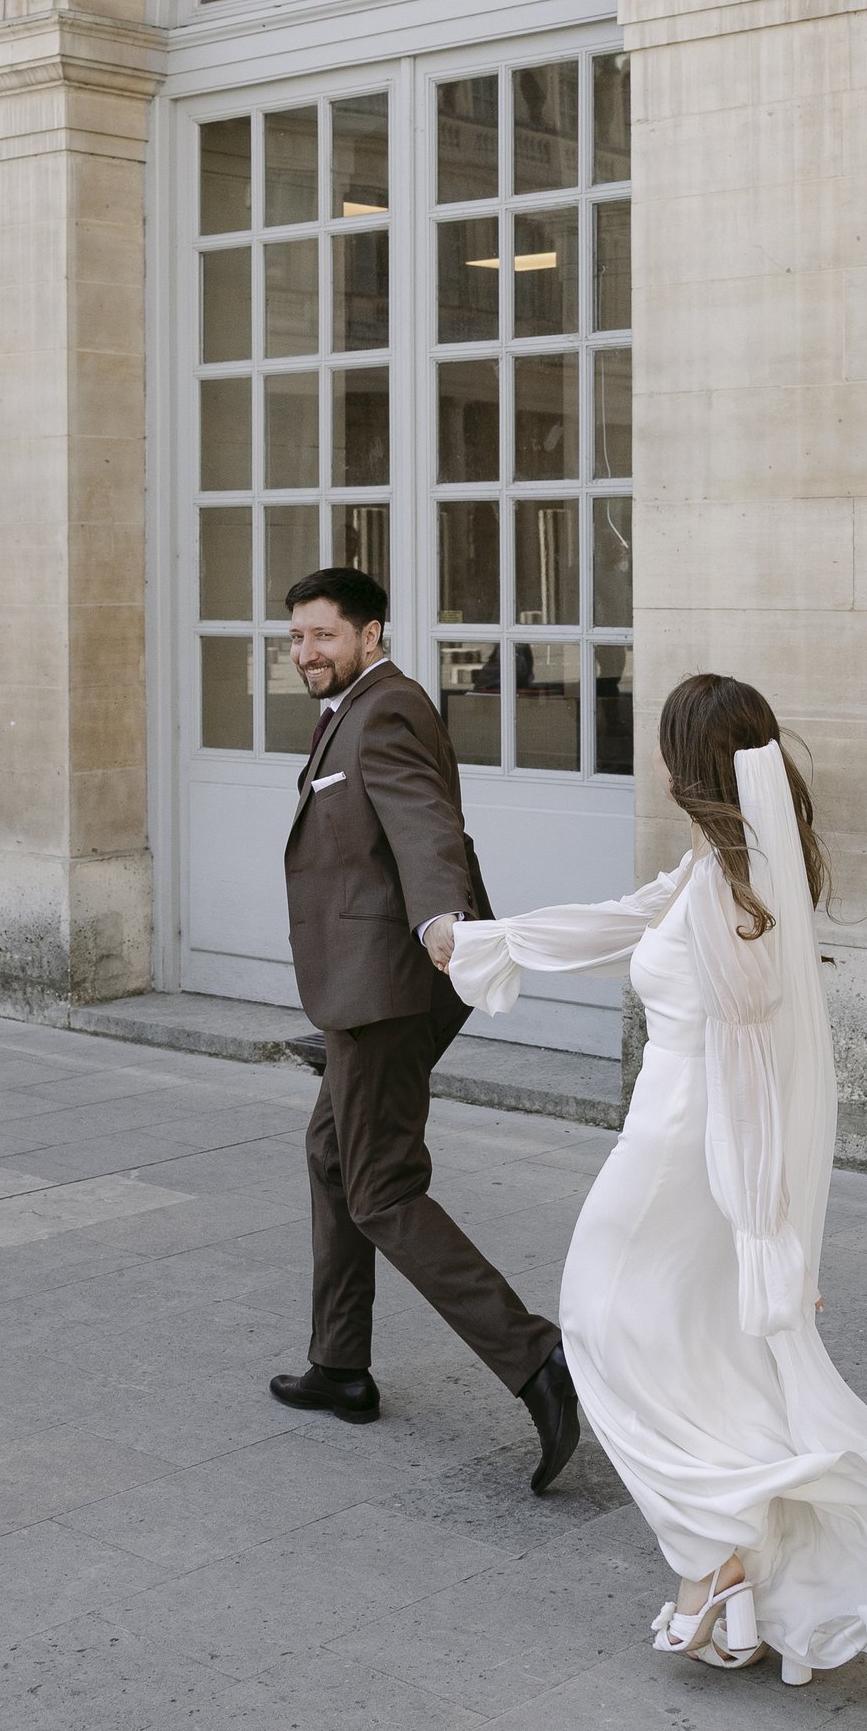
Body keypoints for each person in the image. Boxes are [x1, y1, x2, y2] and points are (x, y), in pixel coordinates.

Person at [427, 672, 867, 1685]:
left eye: (661, 745)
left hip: (683, 1146)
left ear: (684, 763)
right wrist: (488, 944)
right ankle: (728, 1581)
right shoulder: (713, 869)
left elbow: (753, 1078)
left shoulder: (729, 896)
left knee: (604, 1328)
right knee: (688, 1345)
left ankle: (714, 1554)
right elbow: (623, 921)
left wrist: (766, 1231)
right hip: (677, 1134)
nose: (653, 761)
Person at [271, 566, 582, 1496]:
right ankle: (340, 1364)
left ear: (370, 634)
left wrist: (441, 917)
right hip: (365, 986)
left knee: (382, 1189)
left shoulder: (390, 709)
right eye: (296, 638)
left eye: (323, 636)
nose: (305, 654)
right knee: (332, 1154)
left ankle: (537, 1359)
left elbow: (425, 826)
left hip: (388, 993)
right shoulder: (352, 707)